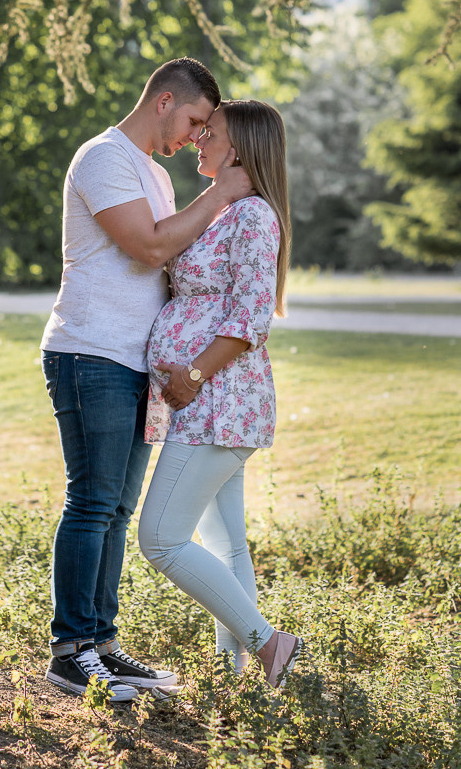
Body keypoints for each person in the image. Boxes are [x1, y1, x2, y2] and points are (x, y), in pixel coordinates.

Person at [40, 58, 254, 701]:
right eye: (193, 120)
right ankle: (70, 651)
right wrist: (221, 193)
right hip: (91, 355)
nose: (196, 136)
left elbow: (178, 264)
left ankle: (101, 644)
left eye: (204, 129)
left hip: (137, 364)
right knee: (92, 502)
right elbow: (151, 248)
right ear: (164, 101)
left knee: (118, 507)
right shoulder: (104, 158)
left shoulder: (157, 176)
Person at [138, 100, 304, 688]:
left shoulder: (255, 217)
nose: (199, 141)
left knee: (159, 537)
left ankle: (267, 644)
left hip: (220, 405)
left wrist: (193, 375)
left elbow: (251, 317)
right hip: (208, 410)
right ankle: (235, 677)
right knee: (226, 544)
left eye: (211, 133)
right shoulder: (222, 211)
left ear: (237, 149)